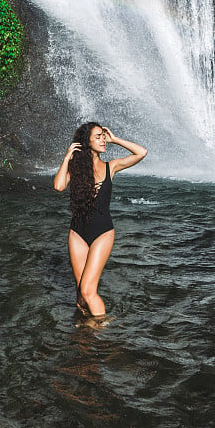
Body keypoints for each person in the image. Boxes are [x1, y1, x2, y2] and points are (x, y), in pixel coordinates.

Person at [54, 123, 147, 317]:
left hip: (102, 232)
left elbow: (141, 152)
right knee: (81, 294)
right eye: (98, 137)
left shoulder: (110, 167)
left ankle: (102, 337)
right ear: (86, 141)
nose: (103, 140)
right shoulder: (76, 168)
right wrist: (66, 158)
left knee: (88, 291)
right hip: (77, 232)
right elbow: (59, 186)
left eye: (104, 136)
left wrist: (115, 139)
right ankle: (84, 337)